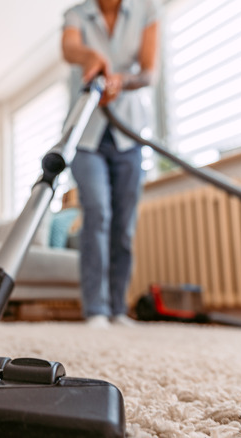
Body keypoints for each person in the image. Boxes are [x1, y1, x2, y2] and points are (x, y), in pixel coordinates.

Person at [61, 0, 159, 328]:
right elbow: (70, 48)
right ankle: (97, 310)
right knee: (98, 212)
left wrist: (120, 81)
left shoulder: (146, 11)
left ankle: (118, 307)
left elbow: (148, 71)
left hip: (128, 134)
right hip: (86, 135)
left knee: (124, 224)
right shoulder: (77, 14)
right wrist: (93, 58)